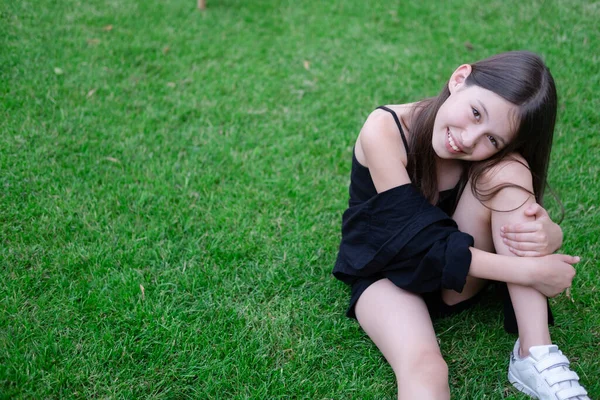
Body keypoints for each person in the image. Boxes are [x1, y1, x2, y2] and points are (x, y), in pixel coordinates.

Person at [333, 51, 590, 400]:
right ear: (459, 79)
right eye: (475, 113)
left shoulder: (490, 158)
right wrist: (527, 270)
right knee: (426, 368)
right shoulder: (384, 130)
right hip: (387, 273)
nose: (469, 140)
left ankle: (535, 353)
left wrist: (549, 234)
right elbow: (420, 244)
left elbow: (510, 215)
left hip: (456, 279)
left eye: (493, 139)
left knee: (510, 169)